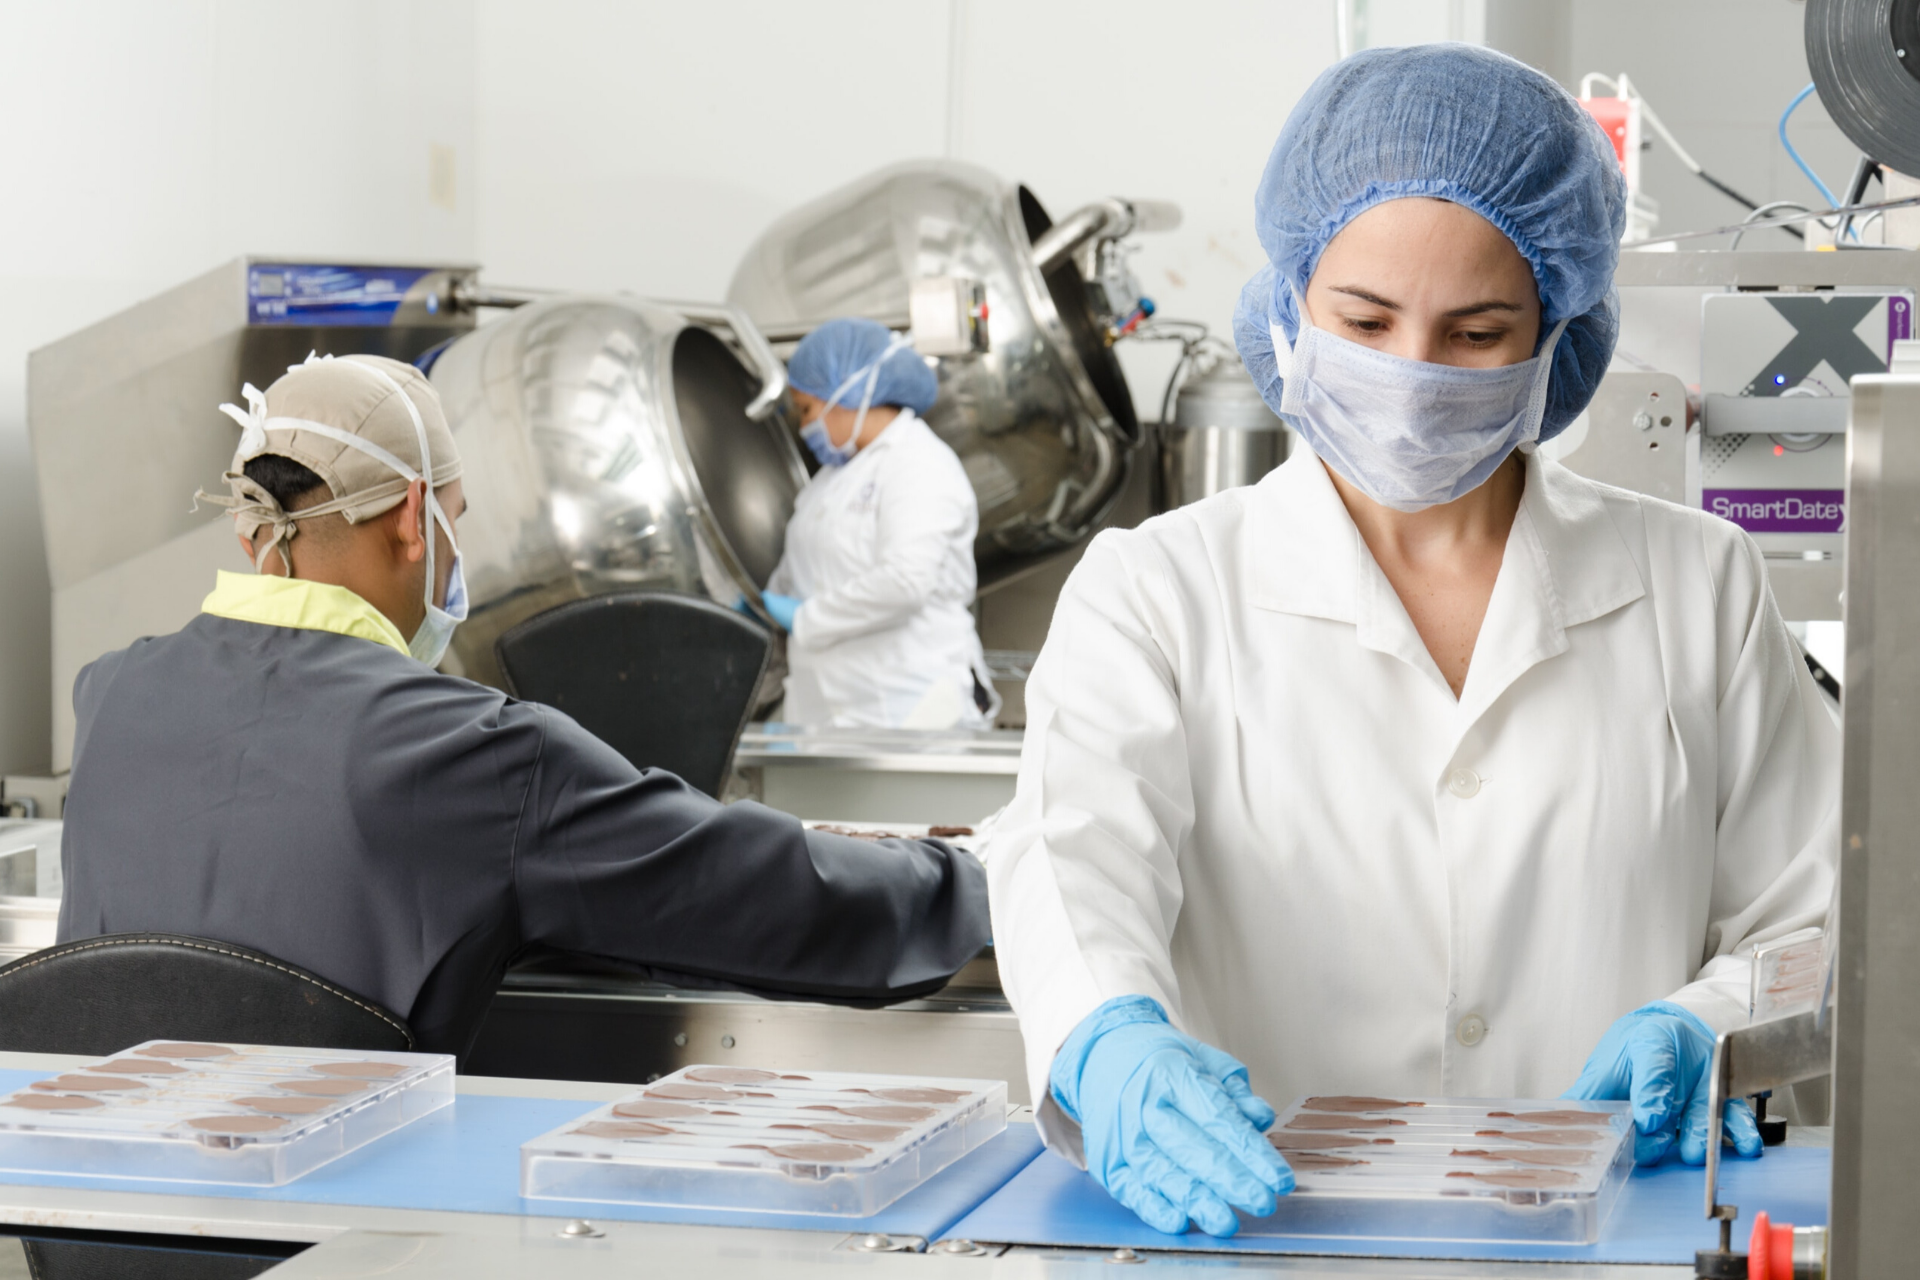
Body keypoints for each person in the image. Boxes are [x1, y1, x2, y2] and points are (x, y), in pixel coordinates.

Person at [986, 45, 1838, 1238]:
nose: (1411, 373)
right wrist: (1107, 1036)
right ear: (1291, 305)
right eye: (1366, 318)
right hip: (1258, 1239)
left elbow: (1817, 909)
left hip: (1603, 1240)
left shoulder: (1698, 581)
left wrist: (1714, 1022)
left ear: (1559, 332)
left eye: (1478, 330)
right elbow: (1073, 869)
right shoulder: (1158, 589)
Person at [57, 353, 990, 1057]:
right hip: (343, 1237)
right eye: (456, 520)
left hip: (107, 1229)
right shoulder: (468, 753)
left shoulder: (108, 697)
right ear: (415, 520)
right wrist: (980, 878)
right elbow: (765, 895)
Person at [760, 317, 1001, 729]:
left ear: (848, 391)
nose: (804, 427)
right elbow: (806, 567)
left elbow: (905, 581)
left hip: (911, 707)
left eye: (807, 409)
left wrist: (804, 618)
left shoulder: (919, 463)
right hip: (829, 714)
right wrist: (763, 602)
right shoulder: (831, 478)